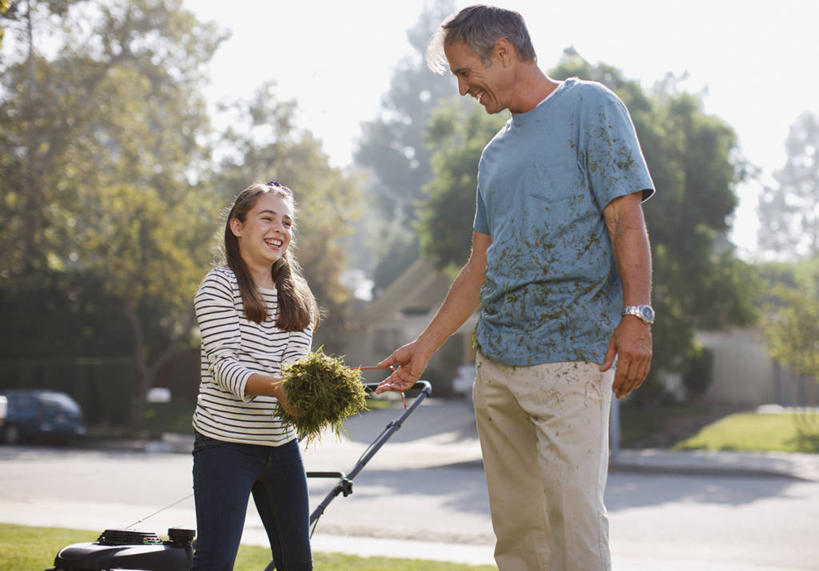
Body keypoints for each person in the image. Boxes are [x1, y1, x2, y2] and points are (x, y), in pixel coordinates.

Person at [376, 5, 655, 570]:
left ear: (503, 52)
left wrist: (637, 316)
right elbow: (480, 265)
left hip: (574, 357)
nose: (461, 90)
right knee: (519, 538)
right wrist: (424, 346)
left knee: (574, 523)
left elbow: (626, 220)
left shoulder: (588, 107)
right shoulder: (494, 154)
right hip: (498, 366)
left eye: (463, 72)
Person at [191, 181, 318, 571]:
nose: (279, 229)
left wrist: (306, 399)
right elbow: (225, 367)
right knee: (215, 561)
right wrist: (279, 390)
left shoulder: (297, 294)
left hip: (281, 447)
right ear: (237, 226)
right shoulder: (220, 285)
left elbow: (294, 370)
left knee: (297, 563)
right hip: (224, 445)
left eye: (287, 222)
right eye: (267, 218)